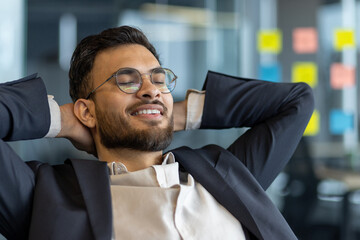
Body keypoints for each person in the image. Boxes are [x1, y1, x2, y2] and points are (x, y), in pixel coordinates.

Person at [0, 26, 314, 240]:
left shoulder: (224, 175)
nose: (151, 90)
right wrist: (65, 121)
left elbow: (296, 101)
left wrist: (172, 111)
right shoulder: (45, 194)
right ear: (87, 111)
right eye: (127, 80)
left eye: (159, 80)